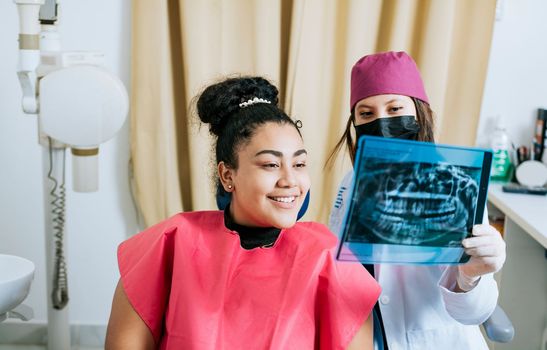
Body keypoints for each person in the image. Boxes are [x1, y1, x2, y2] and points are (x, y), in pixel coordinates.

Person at [105, 76, 381, 349]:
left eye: (299, 164)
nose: (290, 180)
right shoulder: (170, 242)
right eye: (271, 165)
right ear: (227, 175)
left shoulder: (329, 258)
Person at [327, 51, 506, 350]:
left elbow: (475, 312)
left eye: (395, 109)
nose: (382, 123)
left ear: (419, 114)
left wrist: (471, 275)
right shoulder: (350, 185)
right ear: (355, 124)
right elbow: (341, 272)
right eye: (366, 114)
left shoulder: (457, 185)